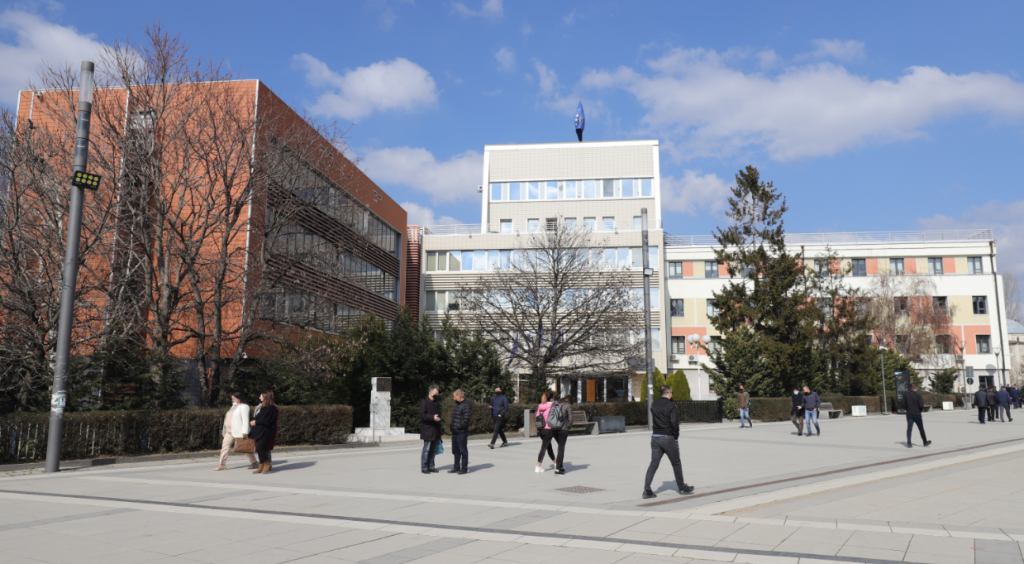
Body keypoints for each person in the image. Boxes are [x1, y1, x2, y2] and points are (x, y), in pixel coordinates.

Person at [642, 386, 695, 499]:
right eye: (672, 392)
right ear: (669, 393)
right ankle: (682, 488)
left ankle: (647, 490)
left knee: (653, 464)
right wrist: (676, 437)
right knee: (676, 464)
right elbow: (674, 423)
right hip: (668, 438)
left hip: (655, 437)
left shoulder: (654, 405)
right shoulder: (671, 405)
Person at [216, 392, 257, 471]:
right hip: (229, 431)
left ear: (239, 399)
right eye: (232, 399)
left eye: (234, 398)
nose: (232, 400)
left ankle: (254, 462)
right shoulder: (233, 406)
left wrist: (245, 431)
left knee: (244, 448)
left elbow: (245, 419)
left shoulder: (244, 407)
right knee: (225, 446)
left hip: (239, 431)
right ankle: (222, 464)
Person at [249, 390, 278, 474]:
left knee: (260, 448)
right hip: (260, 431)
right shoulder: (264, 408)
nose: (259, 397)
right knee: (260, 448)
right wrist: (254, 421)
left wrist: (256, 422)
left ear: (265, 397)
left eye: (261, 396)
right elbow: (259, 417)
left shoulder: (271, 408)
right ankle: (261, 466)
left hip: (266, 432)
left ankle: (267, 464)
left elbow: (267, 420)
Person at [419, 385, 442, 474]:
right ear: (430, 393)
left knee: (434, 450)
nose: (437, 395)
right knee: (427, 449)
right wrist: (432, 417)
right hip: (428, 430)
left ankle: (431, 466)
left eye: (438, 393)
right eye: (436, 393)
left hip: (435, 430)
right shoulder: (424, 403)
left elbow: (438, 415)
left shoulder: (436, 403)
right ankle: (424, 467)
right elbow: (422, 415)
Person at [449, 389, 471, 474]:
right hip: (455, 432)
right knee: (455, 451)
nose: (454, 398)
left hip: (461, 432)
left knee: (463, 451)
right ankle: (456, 467)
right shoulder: (458, 405)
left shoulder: (466, 405)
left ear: (459, 396)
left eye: (455, 397)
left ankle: (464, 468)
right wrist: (452, 427)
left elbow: (466, 420)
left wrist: (457, 427)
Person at [534, 393, 557, 473]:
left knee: (548, 447)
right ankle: (538, 466)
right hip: (548, 429)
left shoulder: (540, 406)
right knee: (543, 448)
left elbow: (536, 417)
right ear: (551, 399)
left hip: (541, 429)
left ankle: (555, 463)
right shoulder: (552, 406)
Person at [553, 396, 573, 475]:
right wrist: (569, 426)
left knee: (560, 446)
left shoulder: (556, 404)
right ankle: (558, 469)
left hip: (554, 428)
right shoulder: (568, 405)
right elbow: (571, 419)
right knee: (561, 447)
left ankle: (561, 466)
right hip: (563, 429)